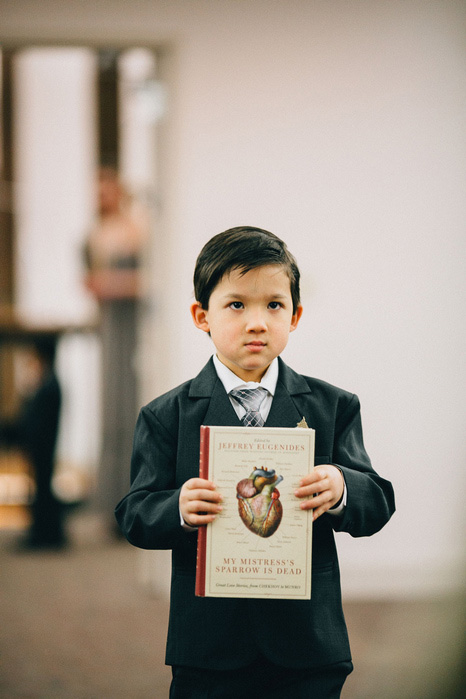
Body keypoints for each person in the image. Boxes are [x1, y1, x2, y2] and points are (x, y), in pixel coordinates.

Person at [115, 226, 395, 698]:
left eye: (274, 305)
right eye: (236, 305)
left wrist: (342, 487)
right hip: (209, 645)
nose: (257, 322)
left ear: (296, 315)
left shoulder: (332, 407)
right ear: (201, 316)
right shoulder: (167, 415)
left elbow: (379, 501)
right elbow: (134, 515)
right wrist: (178, 507)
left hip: (308, 642)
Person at [83, 167, 147, 536]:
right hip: (109, 328)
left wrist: (113, 283)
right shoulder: (97, 233)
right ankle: (110, 504)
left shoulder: (136, 230)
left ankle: (134, 498)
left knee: (132, 407)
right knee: (111, 412)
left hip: (132, 326)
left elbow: (151, 279)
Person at [0, 335, 66, 550]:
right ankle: (45, 533)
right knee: (42, 490)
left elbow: (35, 421)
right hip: (42, 447)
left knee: (43, 491)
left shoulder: (48, 385)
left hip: (43, 447)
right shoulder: (48, 383)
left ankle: (46, 535)